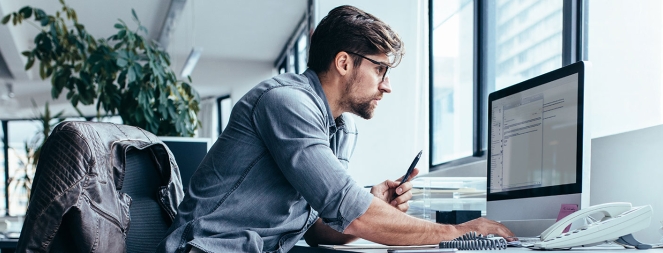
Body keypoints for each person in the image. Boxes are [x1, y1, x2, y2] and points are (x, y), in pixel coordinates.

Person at [157, 5, 514, 253]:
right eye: (380, 70)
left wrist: (372, 204)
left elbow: (318, 229)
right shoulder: (286, 103)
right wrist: (458, 232)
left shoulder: (341, 129)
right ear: (344, 62)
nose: (386, 85)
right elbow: (353, 215)